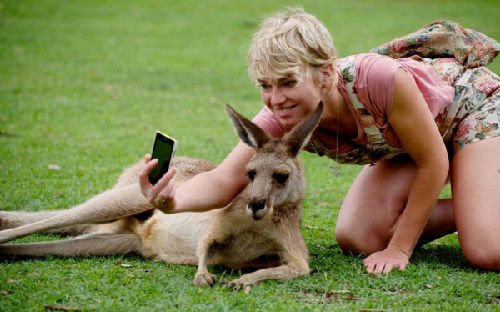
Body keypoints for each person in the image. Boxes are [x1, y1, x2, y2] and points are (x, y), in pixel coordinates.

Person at [138, 8, 500, 274]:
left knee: (486, 249)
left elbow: (432, 162)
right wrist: (171, 200)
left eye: (288, 82)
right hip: (410, 144)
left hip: (472, 111)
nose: (275, 98)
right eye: (265, 85)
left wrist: (400, 249)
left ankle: (480, 211)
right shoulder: (279, 120)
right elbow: (221, 181)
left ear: (325, 73)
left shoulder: (379, 80)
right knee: (358, 237)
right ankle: (475, 206)